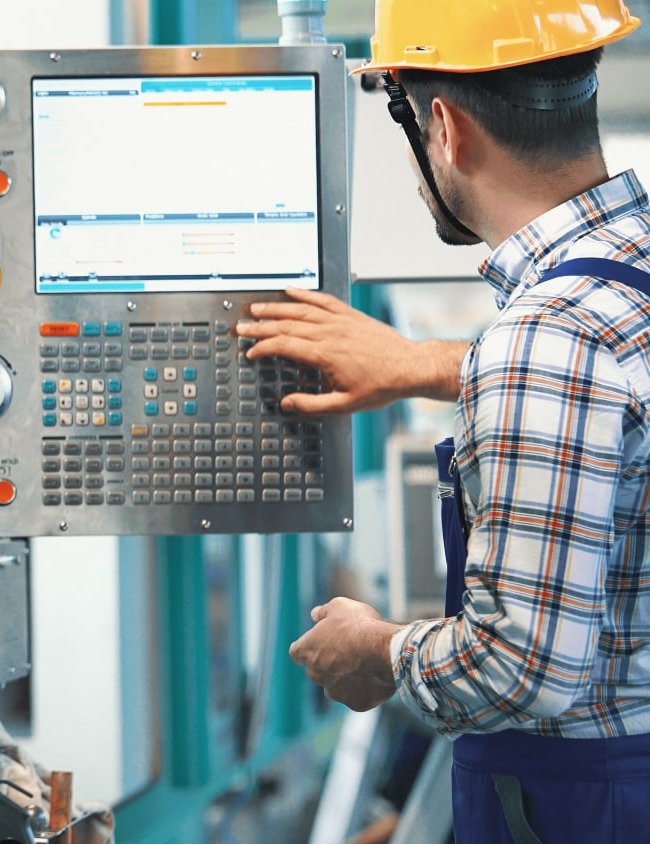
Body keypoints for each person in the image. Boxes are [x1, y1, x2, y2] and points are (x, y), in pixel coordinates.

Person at [236, 0, 650, 840]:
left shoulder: (542, 340)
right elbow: (610, 385)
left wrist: (379, 651)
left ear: (445, 129)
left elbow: (520, 669)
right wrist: (427, 364)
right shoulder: (622, 279)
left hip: (582, 807)